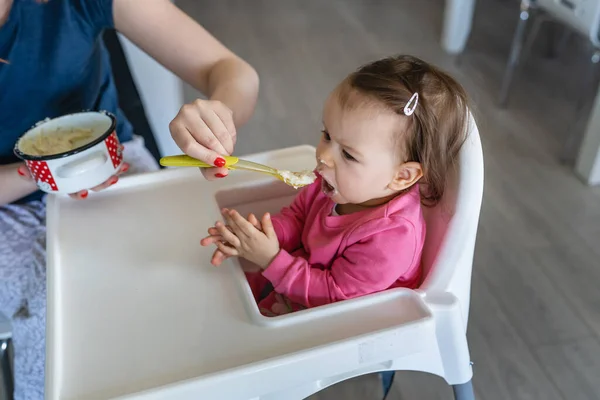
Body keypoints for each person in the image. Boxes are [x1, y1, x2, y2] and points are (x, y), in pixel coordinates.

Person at [0, 0, 258, 398]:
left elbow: (229, 69)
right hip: (8, 202)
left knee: (190, 277)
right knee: (62, 316)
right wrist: (43, 173)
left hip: (113, 169)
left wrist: (217, 117)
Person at [201, 54, 469, 316]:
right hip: (295, 278)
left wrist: (270, 259)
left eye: (349, 155)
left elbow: (336, 296)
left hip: (340, 319)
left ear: (402, 177)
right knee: (217, 297)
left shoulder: (392, 238)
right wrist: (262, 235)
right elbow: (298, 218)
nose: (324, 157)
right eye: (327, 136)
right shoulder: (335, 182)